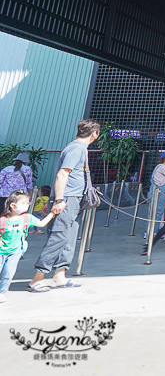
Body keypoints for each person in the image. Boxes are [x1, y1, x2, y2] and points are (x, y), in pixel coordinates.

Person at [28, 119, 100, 293]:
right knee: (58, 236)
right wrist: (59, 200)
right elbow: (62, 174)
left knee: (69, 237)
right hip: (67, 198)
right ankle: (37, 278)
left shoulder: (79, 148)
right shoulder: (76, 149)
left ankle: (59, 275)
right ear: (94, 134)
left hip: (75, 199)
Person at [1, 191, 55, 302]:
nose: (27, 205)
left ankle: (2, 292)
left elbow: (41, 224)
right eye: (24, 203)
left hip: (15, 251)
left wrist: (52, 213)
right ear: (13, 205)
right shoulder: (3, 220)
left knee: (8, 273)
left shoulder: (27, 218)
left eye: (27, 203)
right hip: (1, 251)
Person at [148, 151, 165, 239]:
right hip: (159, 192)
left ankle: (148, 231)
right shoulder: (163, 167)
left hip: (154, 191)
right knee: (158, 212)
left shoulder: (158, 167)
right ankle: (154, 232)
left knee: (152, 212)